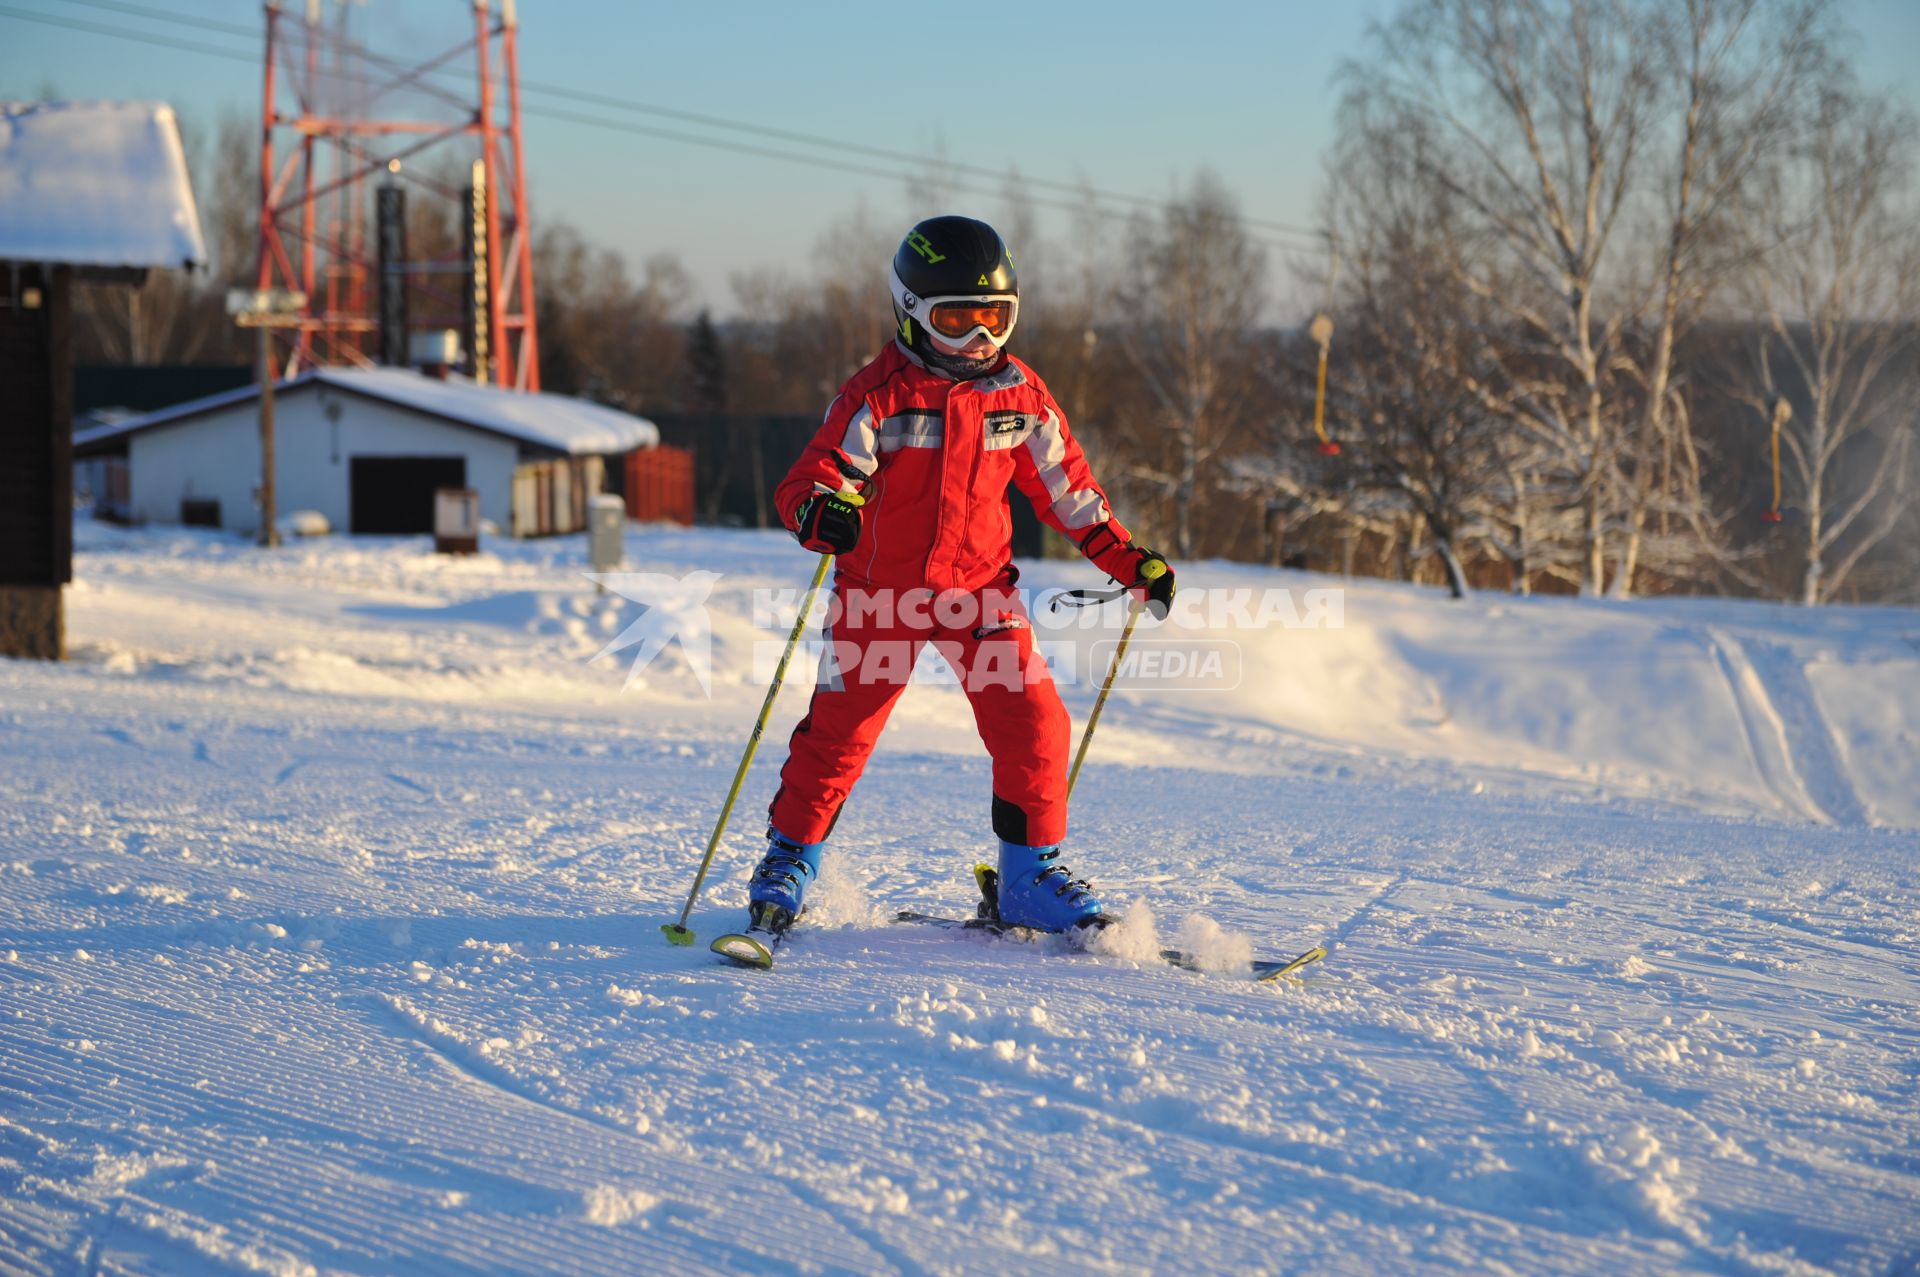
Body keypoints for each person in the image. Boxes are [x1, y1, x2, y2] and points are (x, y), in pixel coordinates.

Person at [737, 214, 1175, 945]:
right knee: (840, 731)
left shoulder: (1022, 396)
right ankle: (790, 858)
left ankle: (1028, 875)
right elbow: (811, 480)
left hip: (979, 593)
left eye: (995, 319)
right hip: (882, 593)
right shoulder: (876, 397)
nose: (979, 340)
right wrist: (824, 513)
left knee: (1034, 719)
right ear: (911, 316)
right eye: (956, 321)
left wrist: (1131, 561)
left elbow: (1071, 492)